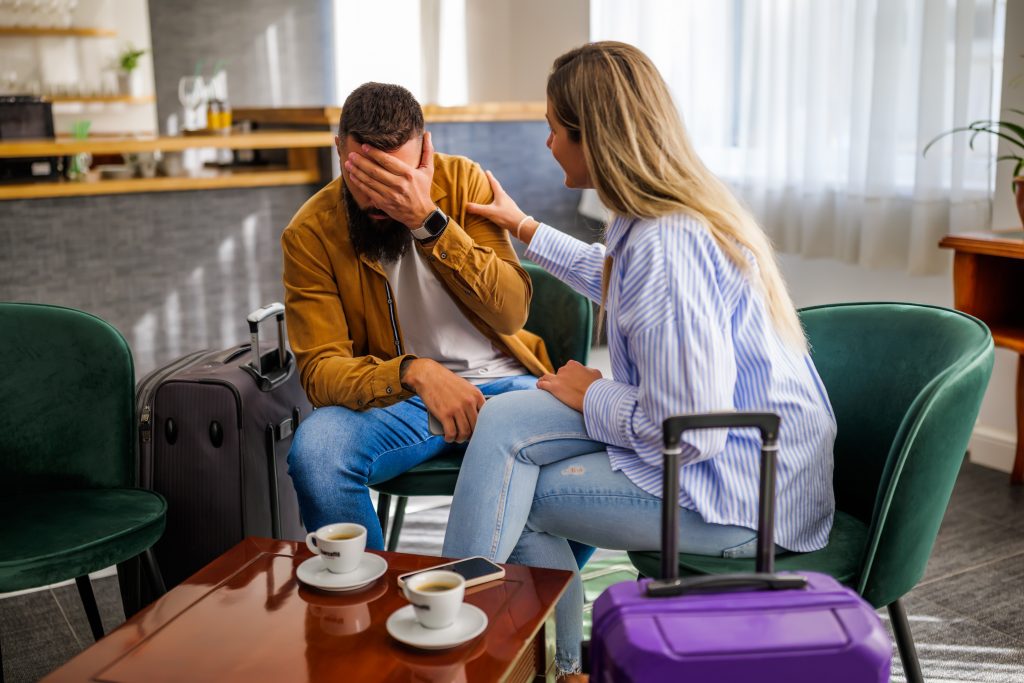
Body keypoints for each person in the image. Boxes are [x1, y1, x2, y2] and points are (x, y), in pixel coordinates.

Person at [442, 42, 837, 678]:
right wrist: (523, 226)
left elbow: (686, 430)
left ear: (592, 135)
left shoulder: (665, 243)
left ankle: (457, 654)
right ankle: (560, 666)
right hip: (753, 465)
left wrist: (593, 392)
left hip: (740, 496)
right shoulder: (659, 218)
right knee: (506, 427)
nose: (547, 143)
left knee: (517, 500)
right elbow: (618, 281)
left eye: (553, 129)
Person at [281, 82, 554, 551]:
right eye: (366, 175)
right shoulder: (310, 231)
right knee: (317, 454)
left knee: (601, 449)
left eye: (399, 176)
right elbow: (320, 371)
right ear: (339, 151)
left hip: (505, 385)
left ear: (425, 152)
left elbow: (511, 312)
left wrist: (427, 219)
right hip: (402, 399)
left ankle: (523, 601)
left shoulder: (464, 182)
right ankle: (371, 607)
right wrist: (414, 372)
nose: (384, 195)